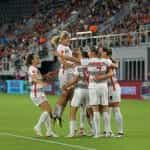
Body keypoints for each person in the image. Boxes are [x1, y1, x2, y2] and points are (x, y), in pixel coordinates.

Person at [26, 53, 58, 137]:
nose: (39, 58)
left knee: (48, 111)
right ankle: (38, 126)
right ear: (32, 60)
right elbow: (34, 78)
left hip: (39, 92)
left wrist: (45, 76)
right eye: (37, 58)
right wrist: (42, 83)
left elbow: (38, 77)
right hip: (37, 92)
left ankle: (49, 131)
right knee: (48, 111)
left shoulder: (35, 68)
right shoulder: (32, 68)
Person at [87, 47, 113, 138]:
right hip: (103, 86)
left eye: (89, 51)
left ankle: (97, 133)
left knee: (95, 109)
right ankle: (108, 131)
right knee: (105, 108)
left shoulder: (89, 61)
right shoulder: (105, 61)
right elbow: (115, 65)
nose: (88, 53)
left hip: (94, 86)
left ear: (93, 53)